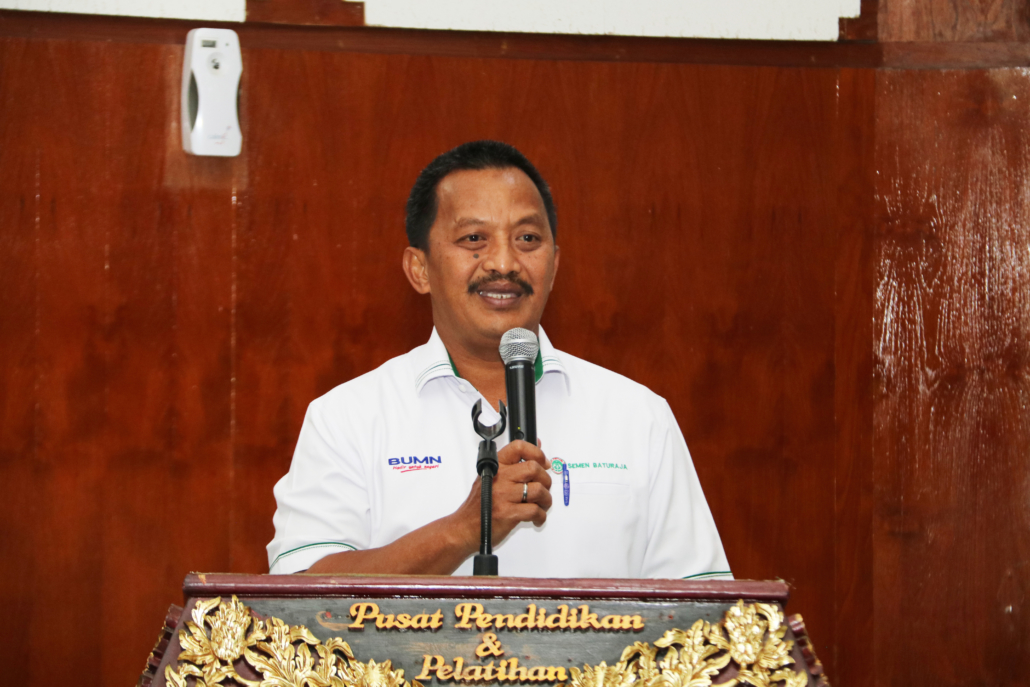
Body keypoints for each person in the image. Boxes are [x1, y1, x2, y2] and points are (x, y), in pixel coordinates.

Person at [267, 141, 731, 579]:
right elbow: (298, 594)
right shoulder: (347, 417)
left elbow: (701, 608)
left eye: (527, 238)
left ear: (554, 265)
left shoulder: (637, 416)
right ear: (419, 269)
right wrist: (464, 529)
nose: (504, 263)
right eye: (474, 238)